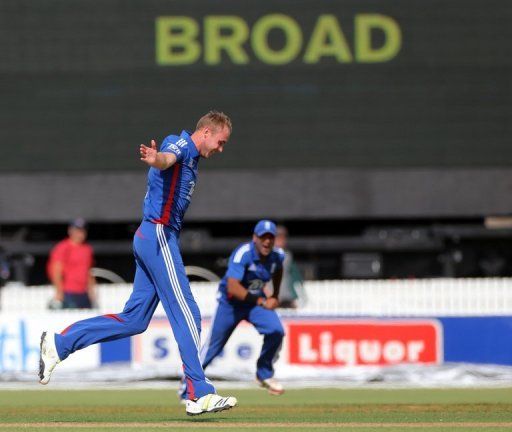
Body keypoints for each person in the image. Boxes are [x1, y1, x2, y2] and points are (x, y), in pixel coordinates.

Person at [39, 111, 237, 416]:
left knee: (135, 320)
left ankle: (60, 344)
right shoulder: (182, 146)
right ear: (207, 132)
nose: (221, 149)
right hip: (158, 234)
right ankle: (198, 393)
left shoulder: (192, 157)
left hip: (150, 235)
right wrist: (156, 157)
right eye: (221, 142)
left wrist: (160, 159)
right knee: (187, 311)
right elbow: (167, 159)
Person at [180, 219, 286, 400]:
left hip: (253, 304)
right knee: (212, 348)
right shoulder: (243, 254)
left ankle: (264, 373)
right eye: (263, 237)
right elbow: (233, 288)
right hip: (230, 305)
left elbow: (278, 271)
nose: (267, 241)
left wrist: (275, 295)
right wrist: (262, 300)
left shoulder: (278, 256)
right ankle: (187, 389)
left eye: (270, 237)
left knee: (276, 331)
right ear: (255, 238)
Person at [47, 218, 96, 309]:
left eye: (82, 231)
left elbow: (89, 272)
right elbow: (56, 271)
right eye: (77, 231)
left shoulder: (87, 249)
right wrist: (59, 292)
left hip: (84, 294)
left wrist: (92, 293)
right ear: (70, 231)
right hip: (68, 293)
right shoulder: (63, 247)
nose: (80, 234)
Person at [272, 225, 304, 308]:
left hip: (286, 299)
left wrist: (295, 297)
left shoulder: (288, 256)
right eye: (278, 237)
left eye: (283, 237)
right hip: (270, 299)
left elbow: (295, 279)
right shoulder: (265, 256)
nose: (280, 240)